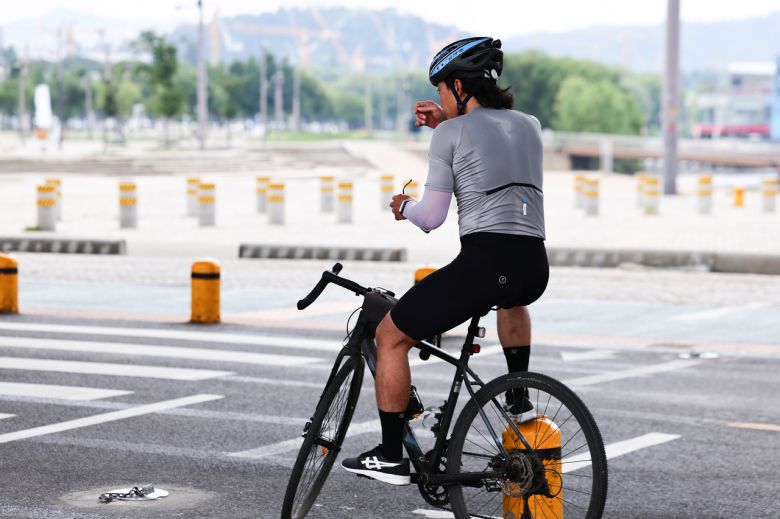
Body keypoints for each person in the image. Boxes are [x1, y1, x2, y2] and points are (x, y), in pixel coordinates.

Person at [341, 36, 549, 486]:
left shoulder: (451, 134)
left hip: (485, 264)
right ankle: (517, 396)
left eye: (440, 88)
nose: (438, 97)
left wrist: (404, 206)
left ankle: (391, 455)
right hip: (533, 265)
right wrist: (449, 121)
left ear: (458, 86)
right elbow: (490, 141)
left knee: (390, 336)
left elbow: (432, 217)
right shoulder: (530, 125)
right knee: (511, 297)